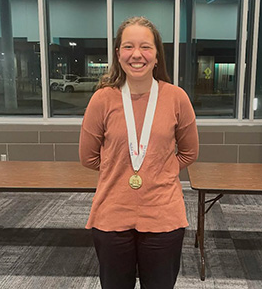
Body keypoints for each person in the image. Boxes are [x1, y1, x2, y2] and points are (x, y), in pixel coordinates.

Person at [79, 16, 199, 289]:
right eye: (128, 46)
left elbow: (189, 152)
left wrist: (161, 169)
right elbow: (88, 157)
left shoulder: (176, 97)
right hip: (112, 213)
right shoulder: (103, 99)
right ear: (118, 54)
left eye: (145, 47)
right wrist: (119, 168)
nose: (137, 54)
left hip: (163, 214)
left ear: (157, 55)